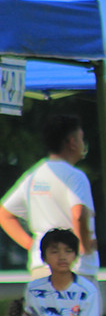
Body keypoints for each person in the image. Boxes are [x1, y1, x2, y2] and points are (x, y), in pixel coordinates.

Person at [0, 114, 99, 281]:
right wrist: (84, 248)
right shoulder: (75, 176)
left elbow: (4, 215)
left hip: (41, 266)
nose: (83, 143)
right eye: (81, 138)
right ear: (72, 142)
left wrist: (34, 246)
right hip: (74, 270)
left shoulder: (33, 175)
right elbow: (79, 214)